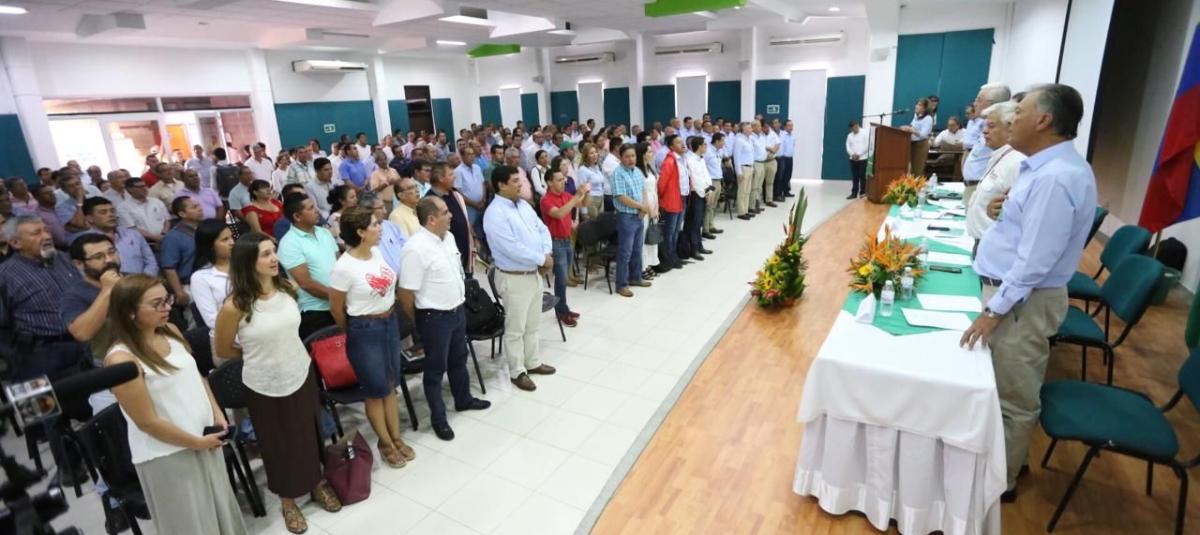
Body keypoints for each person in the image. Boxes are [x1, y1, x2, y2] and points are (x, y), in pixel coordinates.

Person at [959, 84, 1097, 501]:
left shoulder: (1055, 178)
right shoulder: (1041, 169)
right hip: (1014, 297)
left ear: (1043, 121)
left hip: (1021, 302)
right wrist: (1004, 212)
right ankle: (1001, 462)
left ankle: (1000, 483)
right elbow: (1028, 233)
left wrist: (993, 312)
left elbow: (1034, 262)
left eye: (1019, 113)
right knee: (1000, 385)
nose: (1010, 118)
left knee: (1013, 396)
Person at [215, 234, 342, 533]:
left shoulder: (288, 288)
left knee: (310, 432)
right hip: (263, 383)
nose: (274, 259)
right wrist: (257, 354)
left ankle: (316, 483)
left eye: (273, 252)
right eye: (265, 254)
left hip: (300, 371)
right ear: (248, 262)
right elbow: (222, 349)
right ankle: (288, 501)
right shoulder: (235, 306)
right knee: (278, 443)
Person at [103, 275, 246, 535]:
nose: (167, 307)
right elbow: (147, 422)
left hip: (204, 439)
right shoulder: (121, 359)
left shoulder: (170, 331)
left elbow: (197, 376)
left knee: (221, 513)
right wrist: (196, 442)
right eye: (157, 303)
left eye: (167, 299)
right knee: (191, 525)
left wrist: (216, 414)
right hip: (167, 454)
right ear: (130, 312)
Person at [0, 216, 90, 481]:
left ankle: (103, 456)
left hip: (79, 342)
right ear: (15, 242)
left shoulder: (62, 259)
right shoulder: (4, 275)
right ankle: (68, 468)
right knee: (47, 414)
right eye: (36, 233)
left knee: (94, 402)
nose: (46, 235)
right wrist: (15, 361)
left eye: (46, 229)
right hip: (34, 353)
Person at [327, 206, 416, 467]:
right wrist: (353, 330)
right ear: (360, 232)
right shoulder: (344, 267)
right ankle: (385, 442)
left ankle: (396, 437)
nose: (380, 228)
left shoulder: (376, 252)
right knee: (375, 390)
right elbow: (336, 308)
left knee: (390, 384)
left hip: (389, 322)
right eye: (375, 225)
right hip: (364, 329)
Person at [397, 196, 490, 440]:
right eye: (446, 212)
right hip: (434, 317)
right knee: (435, 370)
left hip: (457, 310)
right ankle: (439, 419)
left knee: (459, 358)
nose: (451, 215)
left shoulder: (447, 237)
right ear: (431, 219)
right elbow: (405, 292)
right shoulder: (415, 249)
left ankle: (463, 399)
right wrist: (418, 323)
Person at [482, 165, 556, 392]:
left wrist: (546, 253)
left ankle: (533, 362)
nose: (520, 184)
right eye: (515, 181)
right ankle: (517, 371)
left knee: (533, 324)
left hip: (533, 273)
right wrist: (542, 259)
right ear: (501, 185)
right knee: (515, 328)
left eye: (520, 180)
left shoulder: (523, 205)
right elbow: (511, 248)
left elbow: (542, 229)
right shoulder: (494, 213)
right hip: (513, 277)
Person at [277, 194, 340, 341]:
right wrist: (339, 297)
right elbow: (306, 284)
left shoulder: (324, 233)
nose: (317, 210)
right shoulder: (289, 243)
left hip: (339, 303)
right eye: (311, 208)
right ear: (297, 216)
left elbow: (340, 265)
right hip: (315, 311)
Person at [965, 101, 1027, 246]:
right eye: (984, 126)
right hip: (982, 241)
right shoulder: (998, 155)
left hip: (995, 244)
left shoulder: (1017, 162)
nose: (984, 131)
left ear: (1010, 127)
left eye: (991, 126)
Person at [62, 233, 121, 369]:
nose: (109, 260)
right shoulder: (74, 295)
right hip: (109, 364)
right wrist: (107, 290)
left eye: (111, 252)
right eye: (98, 257)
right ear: (79, 264)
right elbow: (82, 333)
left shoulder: (133, 280)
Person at [540, 168, 588, 325]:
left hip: (567, 240)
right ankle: (561, 312)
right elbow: (560, 213)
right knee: (561, 279)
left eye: (564, 179)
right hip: (556, 242)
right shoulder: (546, 200)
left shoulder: (565, 195)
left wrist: (585, 193)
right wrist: (576, 196)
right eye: (559, 180)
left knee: (564, 277)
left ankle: (564, 308)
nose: (563, 182)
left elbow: (582, 203)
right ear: (549, 182)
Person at [612, 144, 653, 297]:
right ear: (621, 157)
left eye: (633, 156)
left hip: (639, 215)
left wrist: (644, 207)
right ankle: (621, 284)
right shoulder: (618, 174)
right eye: (627, 156)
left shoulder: (637, 171)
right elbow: (621, 197)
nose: (631, 159)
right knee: (625, 252)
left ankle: (636, 277)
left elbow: (643, 190)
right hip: (626, 216)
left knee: (637, 249)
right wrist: (640, 207)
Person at [189, 219, 233, 364]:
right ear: (210, 245)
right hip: (227, 341)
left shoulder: (242, 265)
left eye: (231, 237)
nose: (232, 242)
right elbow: (212, 320)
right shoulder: (201, 277)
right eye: (225, 240)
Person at [81, 197, 157, 275]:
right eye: (103, 212)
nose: (110, 215)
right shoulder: (84, 241)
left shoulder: (133, 234)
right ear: (90, 218)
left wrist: (143, 280)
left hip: (143, 280)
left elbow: (150, 261)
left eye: (112, 211)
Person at [963, 84, 1014, 201]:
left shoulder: (1001, 131)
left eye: (979, 100)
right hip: (973, 186)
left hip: (984, 188)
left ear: (993, 104)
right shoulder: (982, 124)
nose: (975, 103)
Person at [426, 162, 475, 275]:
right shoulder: (431, 200)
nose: (454, 177)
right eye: (451, 174)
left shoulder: (455, 194)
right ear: (441, 178)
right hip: (448, 257)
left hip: (464, 252)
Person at [161, 197, 203, 308]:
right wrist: (179, 292)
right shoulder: (173, 237)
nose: (200, 209)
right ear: (182, 214)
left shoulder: (206, 229)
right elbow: (169, 267)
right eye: (194, 207)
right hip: (189, 285)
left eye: (198, 205)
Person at [657, 135, 688, 270]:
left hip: (682, 198)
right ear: (671, 146)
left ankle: (674, 256)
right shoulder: (670, 161)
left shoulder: (682, 159)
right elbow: (662, 184)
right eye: (678, 142)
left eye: (682, 142)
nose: (682, 144)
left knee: (676, 231)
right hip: (672, 199)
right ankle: (669, 258)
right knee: (669, 232)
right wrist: (662, 201)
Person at [683, 137, 713, 260]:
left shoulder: (701, 159)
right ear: (699, 146)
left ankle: (699, 245)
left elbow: (706, 176)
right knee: (694, 223)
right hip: (696, 194)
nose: (706, 146)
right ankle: (693, 249)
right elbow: (695, 180)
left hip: (704, 192)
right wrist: (705, 193)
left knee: (699, 222)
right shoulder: (690, 160)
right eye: (704, 144)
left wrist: (709, 189)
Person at [635, 142, 661, 278]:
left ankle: (650, 263)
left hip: (653, 203)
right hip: (644, 207)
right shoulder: (638, 171)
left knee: (652, 236)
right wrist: (649, 210)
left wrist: (656, 207)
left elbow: (655, 190)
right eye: (649, 152)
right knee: (644, 237)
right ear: (642, 154)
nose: (652, 154)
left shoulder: (650, 169)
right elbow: (641, 192)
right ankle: (642, 266)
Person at [117, 178, 169, 244]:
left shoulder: (156, 202)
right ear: (130, 189)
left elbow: (167, 220)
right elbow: (131, 228)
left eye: (145, 186)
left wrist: (163, 234)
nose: (144, 189)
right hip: (144, 242)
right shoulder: (123, 207)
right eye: (140, 187)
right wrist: (156, 238)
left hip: (165, 238)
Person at [453, 147, 487, 235]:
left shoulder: (477, 168)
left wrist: (483, 199)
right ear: (462, 157)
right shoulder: (458, 171)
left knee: (483, 227)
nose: (472, 157)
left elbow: (483, 183)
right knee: (472, 229)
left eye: (473, 154)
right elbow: (458, 192)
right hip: (469, 206)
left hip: (481, 204)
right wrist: (474, 204)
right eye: (468, 154)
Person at [901, 98, 934, 176]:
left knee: (917, 169)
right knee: (911, 169)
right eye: (917, 104)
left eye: (919, 105)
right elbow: (912, 126)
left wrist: (911, 130)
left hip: (921, 145)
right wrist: (906, 128)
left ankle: (918, 183)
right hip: (912, 143)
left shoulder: (928, 118)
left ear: (925, 108)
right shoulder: (916, 116)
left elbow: (924, 134)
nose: (916, 106)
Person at [703, 133, 726, 238]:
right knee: (708, 206)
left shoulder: (719, 151)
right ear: (716, 141)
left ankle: (711, 225)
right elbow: (703, 166)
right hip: (710, 181)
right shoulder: (707, 152)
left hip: (718, 180)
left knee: (714, 206)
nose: (724, 143)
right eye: (722, 141)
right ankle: (705, 229)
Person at [578, 144, 605, 220]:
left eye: (595, 152)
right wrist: (584, 211)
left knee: (601, 222)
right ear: (586, 156)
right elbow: (582, 190)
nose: (595, 155)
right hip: (590, 199)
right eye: (591, 153)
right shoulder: (582, 170)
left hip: (601, 198)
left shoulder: (597, 167)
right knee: (594, 223)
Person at [846, 121, 870, 199]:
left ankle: (863, 193)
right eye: (852, 129)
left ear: (857, 125)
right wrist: (852, 154)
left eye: (855, 127)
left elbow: (867, 145)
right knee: (855, 177)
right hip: (853, 159)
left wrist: (859, 154)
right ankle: (854, 193)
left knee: (862, 176)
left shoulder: (865, 133)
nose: (854, 130)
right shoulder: (850, 135)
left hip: (863, 158)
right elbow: (848, 146)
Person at [775, 119, 795, 201]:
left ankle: (786, 191)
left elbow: (793, 145)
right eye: (789, 125)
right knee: (781, 177)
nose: (791, 127)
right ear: (785, 127)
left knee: (788, 176)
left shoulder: (793, 135)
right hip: (783, 158)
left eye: (792, 125)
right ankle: (779, 194)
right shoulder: (782, 135)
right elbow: (780, 147)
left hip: (790, 158)